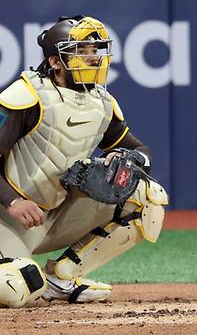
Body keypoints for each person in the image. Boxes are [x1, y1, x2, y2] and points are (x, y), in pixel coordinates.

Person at [0, 16, 168, 308]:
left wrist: (127, 159)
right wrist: (13, 201)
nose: (93, 57)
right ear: (55, 61)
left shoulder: (102, 102)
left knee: (149, 199)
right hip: (8, 220)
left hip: (54, 215)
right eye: (82, 50)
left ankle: (62, 278)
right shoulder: (26, 96)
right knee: (17, 286)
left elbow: (140, 150)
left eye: (95, 50)